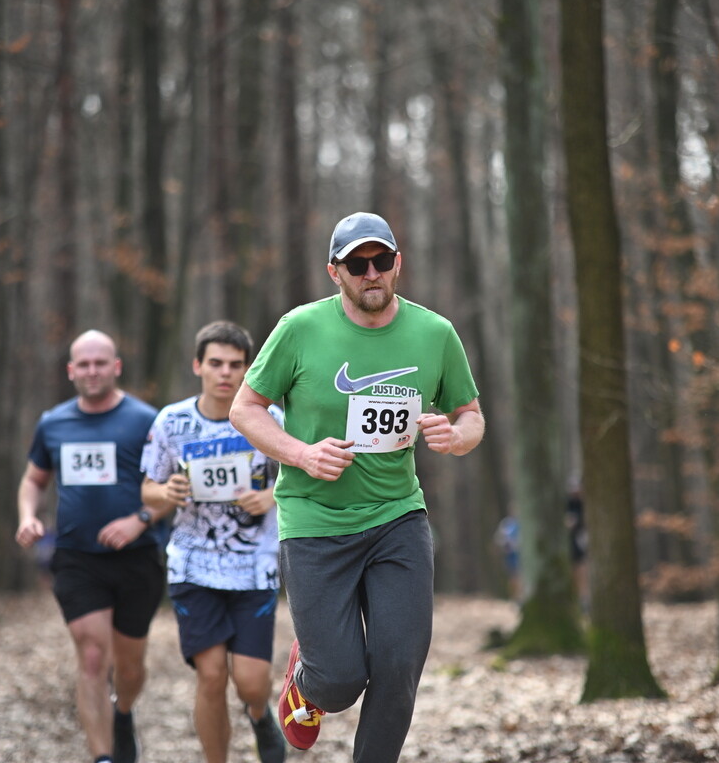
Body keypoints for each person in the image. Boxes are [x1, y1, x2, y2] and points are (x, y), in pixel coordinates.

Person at [229, 212, 485, 763]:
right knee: (341, 678)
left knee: (399, 669)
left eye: (382, 261)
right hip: (315, 520)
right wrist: (300, 453)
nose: (372, 273)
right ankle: (308, 677)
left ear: (398, 264)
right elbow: (244, 408)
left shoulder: (434, 333)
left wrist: (455, 436)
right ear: (335, 272)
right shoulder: (299, 328)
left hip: (398, 518)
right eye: (357, 264)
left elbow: (471, 414)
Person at [139, 321, 287, 763]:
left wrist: (271, 495)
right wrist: (166, 494)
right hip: (193, 564)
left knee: (251, 682)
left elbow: (298, 476)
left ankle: (260, 716)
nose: (225, 373)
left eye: (236, 365)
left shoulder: (272, 419)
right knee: (210, 675)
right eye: (216, 363)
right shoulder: (172, 421)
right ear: (198, 365)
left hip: (254, 564)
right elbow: (148, 487)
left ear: (248, 370)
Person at [15, 330, 163, 763]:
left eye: (101, 363)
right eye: (84, 364)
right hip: (77, 558)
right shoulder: (54, 423)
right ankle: (102, 757)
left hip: (137, 559)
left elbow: (172, 488)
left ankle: (124, 710)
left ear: (116, 366)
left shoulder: (146, 420)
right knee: (94, 656)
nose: (92, 371)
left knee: (130, 667)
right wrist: (28, 516)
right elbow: (33, 479)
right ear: (71, 371)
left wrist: (138, 521)